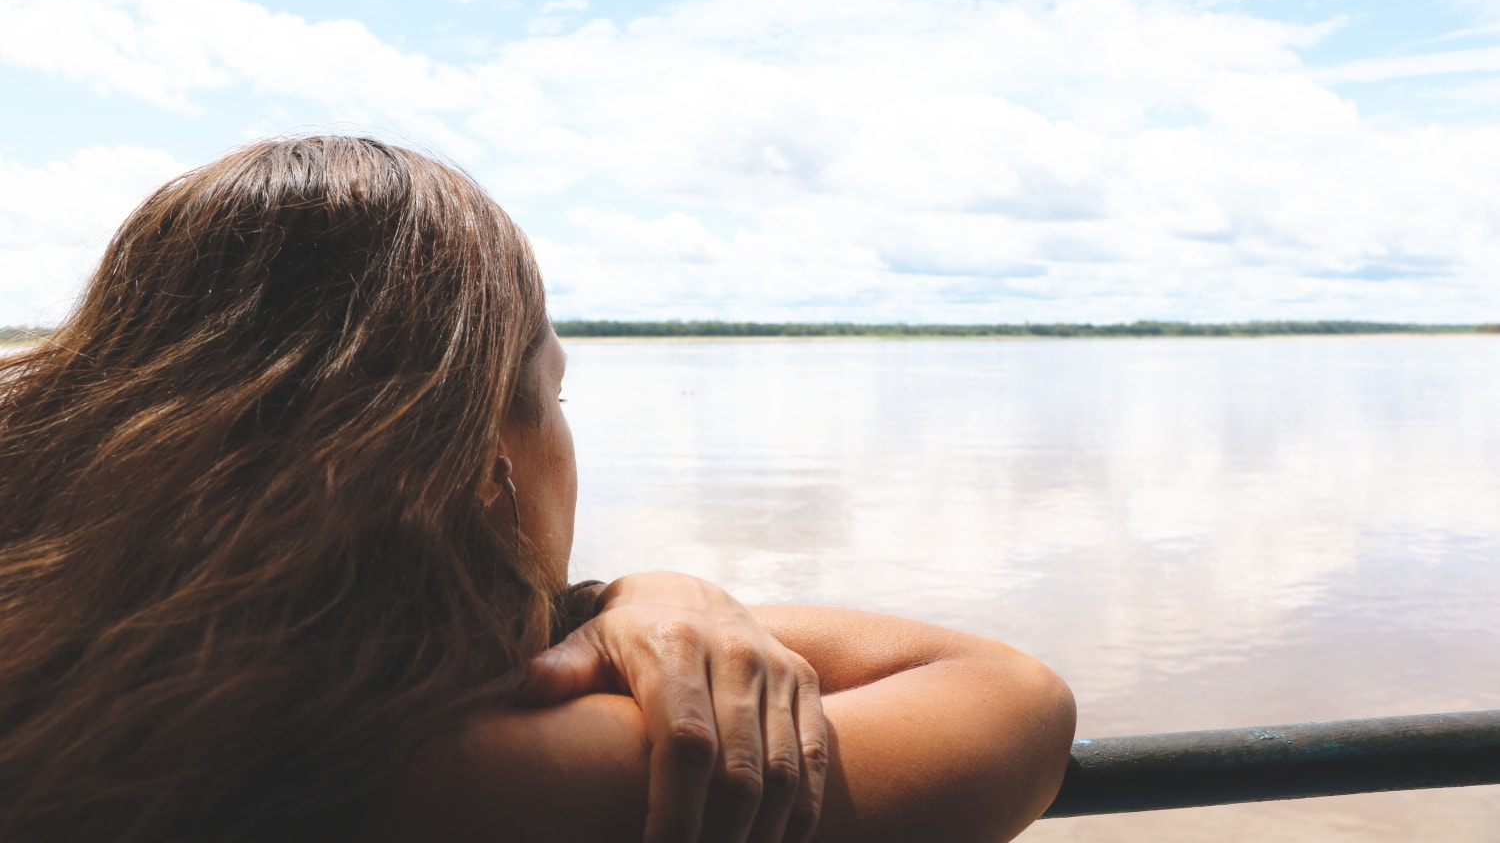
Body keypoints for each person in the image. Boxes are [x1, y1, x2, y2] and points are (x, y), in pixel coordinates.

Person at [0, 137, 1075, 843]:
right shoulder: (456, 773)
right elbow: (1014, 701)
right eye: (553, 390)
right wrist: (630, 606)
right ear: (482, 466)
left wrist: (628, 594)